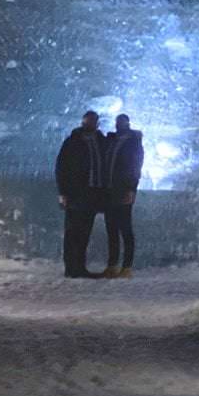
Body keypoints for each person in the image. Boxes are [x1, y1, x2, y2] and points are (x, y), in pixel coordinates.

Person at [54, 110, 106, 278]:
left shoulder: (100, 141)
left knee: (84, 231)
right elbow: (61, 167)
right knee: (72, 231)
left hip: (93, 193)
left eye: (93, 121)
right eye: (88, 121)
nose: (90, 124)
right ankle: (71, 268)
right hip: (76, 193)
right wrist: (63, 192)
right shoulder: (72, 142)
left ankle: (80, 267)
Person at [101, 113, 145, 278]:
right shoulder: (111, 141)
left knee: (125, 229)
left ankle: (127, 267)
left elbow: (136, 166)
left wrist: (131, 189)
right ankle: (112, 265)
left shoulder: (133, 142)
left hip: (123, 190)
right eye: (118, 122)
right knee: (111, 228)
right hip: (109, 191)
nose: (120, 125)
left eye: (123, 122)